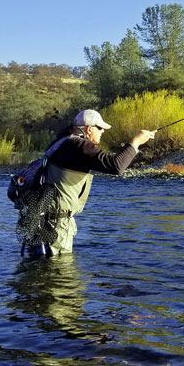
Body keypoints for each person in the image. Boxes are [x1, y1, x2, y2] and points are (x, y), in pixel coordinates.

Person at [24, 109, 154, 256]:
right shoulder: (80, 145)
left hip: (38, 219)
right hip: (56, 224)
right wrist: (135, 142)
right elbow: (115, 166)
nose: (102, 132)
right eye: (100, 128)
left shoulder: (61, 142)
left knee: (38, 266)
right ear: (89, 129)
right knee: (60, 272)